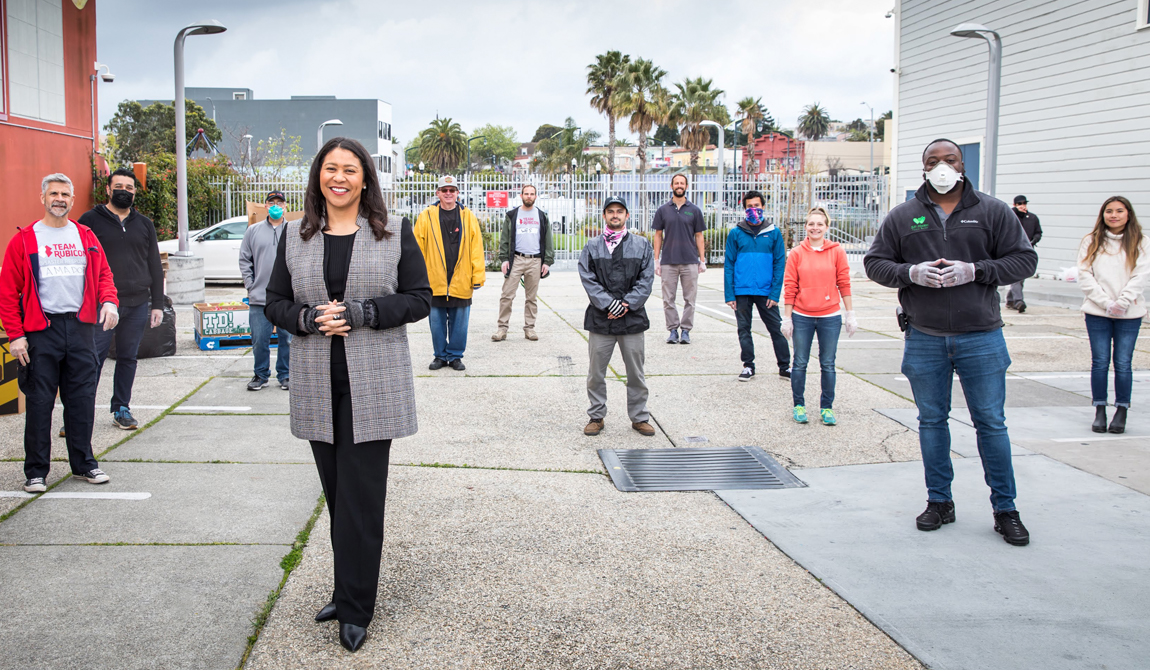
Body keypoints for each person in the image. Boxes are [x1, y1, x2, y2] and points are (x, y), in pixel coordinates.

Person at [264, 138, 431, 652]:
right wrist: (306, 319)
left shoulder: (393, 231)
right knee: (339, 498)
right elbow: (274, 301)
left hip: (373, 384)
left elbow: (420, 298)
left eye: (350, 170)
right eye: (331, 169)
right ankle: (345, 586)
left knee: (361, 499)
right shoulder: (295, 236)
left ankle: (357, 608)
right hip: (317, 383)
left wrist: (362, 313)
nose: (339, 177)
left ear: (365, 179)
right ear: (319, 177)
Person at [864, 138, 1037, 547]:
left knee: (991, 424)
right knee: (931, 423)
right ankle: (940, 501)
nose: (942, 167)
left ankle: (1005, 508)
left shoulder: (992, 211)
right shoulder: (903, 216)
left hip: (981, 337)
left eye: (949, 159)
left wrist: (976, 270)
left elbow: (1024, 260)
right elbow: (875, 262)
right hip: (925, 337)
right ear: (922, 168)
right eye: (933, 161)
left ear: (962, 164)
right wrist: (910, 274)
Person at [0, 173, 119, 493]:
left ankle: (84, 465)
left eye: (65, 194)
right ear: (42, 198)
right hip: (40, 332)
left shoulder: (86, 236)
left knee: (81, 400)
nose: (60, 199)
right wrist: (15, 335)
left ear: (71, 199)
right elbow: (8, 293)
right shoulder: (25, 239)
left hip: (81, 330)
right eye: (54, 193)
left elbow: (104, 275)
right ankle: (36, 472)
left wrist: (109, 302)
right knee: (39, 403)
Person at [78, 167, 165, 431]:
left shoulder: (144, 224)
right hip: (101, 305)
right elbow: (78, 262)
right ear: (107, 189)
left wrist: (157, 304)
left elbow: (154, 265)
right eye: (119, 187)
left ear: (135, 192)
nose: (124, 192)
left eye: (129, 188)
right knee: (92, 359)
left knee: (128, 358)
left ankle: (121, 408)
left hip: (137, 303)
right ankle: (79, 413)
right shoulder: (89, 220)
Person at [579, 196, 656, 437]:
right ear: (604, 215)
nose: (615, 215)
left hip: (631, 319)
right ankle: (596, 415)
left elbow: (647, 279)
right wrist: (609, 304)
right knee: (596, 373)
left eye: (619, 211)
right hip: (601, 319)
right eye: (610, 211)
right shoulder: (592, 246)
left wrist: (627, 304)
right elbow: (587, 278)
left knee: (636, 373)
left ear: (627, 215)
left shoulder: (642, 245)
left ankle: (639, 417)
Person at [1076, 196, 1148, 435]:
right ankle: (1099, 409)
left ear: (1128, 214)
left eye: (1119, 211)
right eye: (1109, 211)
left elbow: (1141, 275)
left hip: (1130, 313)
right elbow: (1085, 275)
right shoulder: (1091, 241)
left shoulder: (1141, 242)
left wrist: (1123, 302)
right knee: (1100, 362)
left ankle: (1122, 409)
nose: (1113, 215)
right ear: (1103, 214)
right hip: (1098, 312)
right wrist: (1106, 303)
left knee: (1123, 363)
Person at [781, 207, 856, 425]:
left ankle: (827, 408)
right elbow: (790, 286)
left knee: (828, 364)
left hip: (830, 316)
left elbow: (844, 282)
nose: (815, 228)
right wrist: (787, 318)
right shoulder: (796, 253)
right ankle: (799, 406)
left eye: (820, 224)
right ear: (806, 226)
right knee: (800, 363)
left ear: (826, 227)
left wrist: (850, 313)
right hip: (802, 315)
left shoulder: (837, 251)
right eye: (811, 224)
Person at [413, 175, 485, 371]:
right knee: (436, 323)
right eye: (444, 190)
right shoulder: (426, 216)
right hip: (434, 280)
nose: (448, 194)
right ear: (438, 193)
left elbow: (477, 247)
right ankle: (440, 355)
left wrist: (477, 275)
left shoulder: (467, 216)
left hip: (461, 279)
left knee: (460, 323)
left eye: (452, 190)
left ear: (457, 194)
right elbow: (417, 248)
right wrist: (416, 277)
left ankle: (455, 356)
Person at [724, 190, 791, 380]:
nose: (754, 210)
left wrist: (774, 293)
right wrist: (730, 294)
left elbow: (780, 264)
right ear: (744, 209)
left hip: (766, 290)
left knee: (776, 329)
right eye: (750, 207)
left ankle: (785, 366)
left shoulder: (774, 233)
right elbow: (729, 264)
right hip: (742, 290)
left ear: (763, 207)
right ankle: (748, 365)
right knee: (743, 329)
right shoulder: (736, 233)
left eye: (757, 206)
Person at [240, 190, 292, 391]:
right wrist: (250, 284)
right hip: (259, 297)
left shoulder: (294, 230)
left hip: (287, 298)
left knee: (286, 339)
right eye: (272, 203)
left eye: (280, 203)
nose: (276, 206)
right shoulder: (253, 231)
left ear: (286, 206)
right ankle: (260, 375)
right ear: (265, 206)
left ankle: (285, 375)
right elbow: (245, 259)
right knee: (259, 340)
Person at [494, 184, 553, 341]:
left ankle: (529, 329)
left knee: (531, 298)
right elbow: (505, 239)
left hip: (535, 260)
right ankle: (502, 329)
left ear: (535, 196)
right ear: (521, 196)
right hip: (517, 259)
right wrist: (504, 259)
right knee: (507, 295)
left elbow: (548, 240)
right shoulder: (512, 215)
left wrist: (547, 261)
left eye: (532, 194)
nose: (529, 196)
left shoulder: (542, 216)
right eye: (526, 193)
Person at [652, 174, 705, 344]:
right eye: (676, 183)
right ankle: (673, 330)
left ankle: (686, 331)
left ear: (686, 186)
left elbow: (699, 236)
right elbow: (658, 235)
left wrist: (702, 260)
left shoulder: (694, 210)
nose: (679, 185)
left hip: (690, 260)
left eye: (682, 183)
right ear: (671, 186)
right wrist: (656, 259)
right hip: (669, 261)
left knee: (690, 299)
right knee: (668, 299)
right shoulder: (663, 210)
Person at [1006, 195, 1042, 312]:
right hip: (1013, 250)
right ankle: (1019, 301)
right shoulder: (1010, 216)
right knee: (1018, 275)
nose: (1022, 206)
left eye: (1024, 203)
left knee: (1021, 277)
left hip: (1028, 250)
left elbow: (1038, 232)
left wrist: (1034, 241)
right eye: (1019, 204)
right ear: (1015, 205)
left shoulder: (1032, 218)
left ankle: (1010, 300)